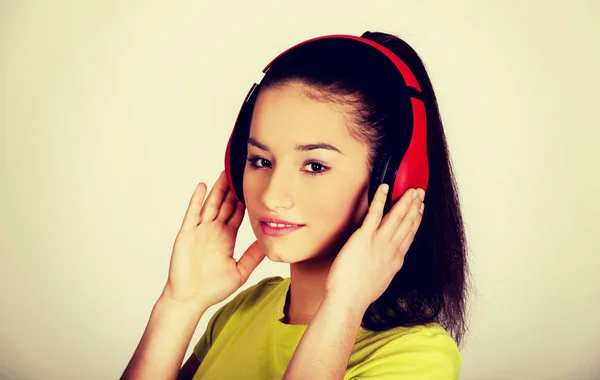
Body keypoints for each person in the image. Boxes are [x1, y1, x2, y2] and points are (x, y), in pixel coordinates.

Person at [121, 31, 469, 380]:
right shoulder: (244, 310)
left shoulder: (418, 356)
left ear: (394, 181)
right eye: (259, 160)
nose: (272, 197)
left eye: (315, 166)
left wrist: (343, 305)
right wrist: (180, 304)